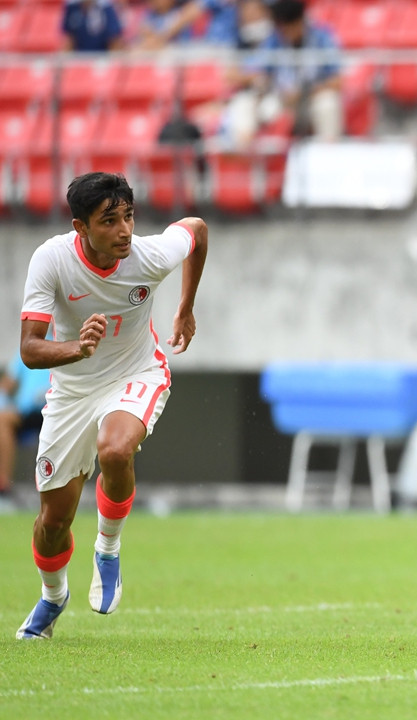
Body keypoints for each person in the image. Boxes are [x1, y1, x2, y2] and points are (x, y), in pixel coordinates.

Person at [15, 172, 208, 639]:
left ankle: (108, 547)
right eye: (109, 221)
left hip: (136, 372)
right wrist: (76, 349)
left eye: (129, 216)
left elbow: (197, 229)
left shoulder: (150, 256)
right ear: (81, 227)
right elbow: (29, 349)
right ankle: (53, 596)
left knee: (116, 450)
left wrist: (184, 306)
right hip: (73, 392)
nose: (124, 230)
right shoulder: (52, 261)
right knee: (52, 522)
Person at [225, 0, 343, 147]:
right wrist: (252, 77)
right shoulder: (275, 39)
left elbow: (338, 81)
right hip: (282, 99)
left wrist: (304, 92)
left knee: (327, 103)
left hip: (312, 98)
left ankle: (328, 155)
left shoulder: (322, 38)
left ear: (300, 22)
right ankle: (246, 157)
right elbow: (255, 69)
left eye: (288, 27)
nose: (285, 32)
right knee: (244, 102)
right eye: (281, 27)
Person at [0, 350, 52, 512]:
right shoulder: (29, 346)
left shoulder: (71, 341)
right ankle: (3, 491)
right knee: (3, 420)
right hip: (28, 411)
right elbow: (6, 386)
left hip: (58, 409)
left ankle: (69, 490)